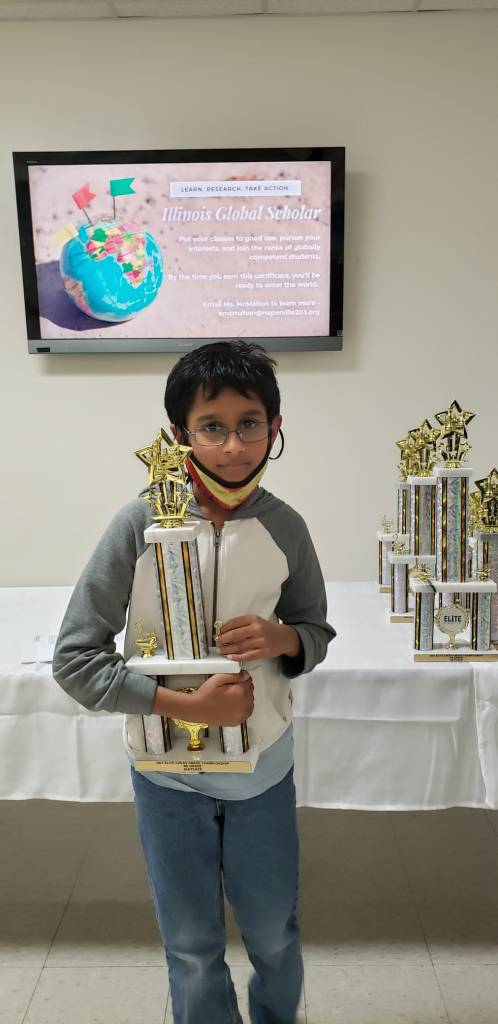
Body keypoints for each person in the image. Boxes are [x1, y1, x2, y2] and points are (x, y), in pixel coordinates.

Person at [53, 339, 336, 1024]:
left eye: (249, 423)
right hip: (165, 777)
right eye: (212, 426)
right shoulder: (138, 524)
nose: (233, 444)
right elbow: (75, 660)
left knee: (273, 932)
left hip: (261, 773)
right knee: (189, 946)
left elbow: (316, 631)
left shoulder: (285, 528)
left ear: (275, 426)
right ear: (180, 434)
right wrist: (187, 706)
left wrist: (283, 639)